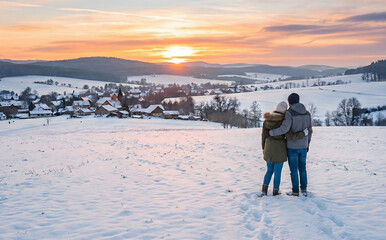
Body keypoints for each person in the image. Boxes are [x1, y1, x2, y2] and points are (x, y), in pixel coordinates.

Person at [265, 93, 313, 196]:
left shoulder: (289, 113)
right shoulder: (307, 114)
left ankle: (295, 191)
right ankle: (304, 190)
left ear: (289, 103)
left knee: (294, 170)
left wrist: (271, 133)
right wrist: (307, 143)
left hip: (292, 147)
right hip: (304, 146)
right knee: (303, 169)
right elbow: (310, 130)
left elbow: (284, 129)